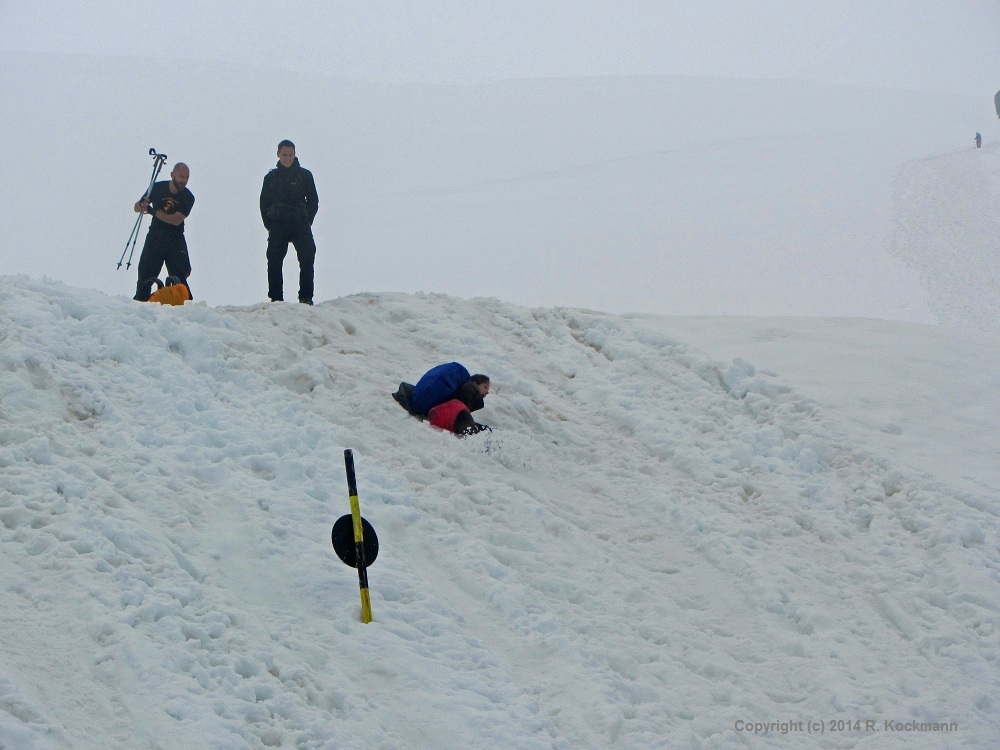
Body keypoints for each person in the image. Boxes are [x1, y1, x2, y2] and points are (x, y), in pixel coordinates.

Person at [260, 140, 319, 304]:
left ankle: (306, 297)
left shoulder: (305, 175)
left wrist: (308, 220)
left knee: (307, 257)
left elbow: (313, 200)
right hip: (278, 225)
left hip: (300, 224)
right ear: (278, 154)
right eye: (284, 154)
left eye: (290, 154)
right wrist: (269, 224)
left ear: (295, 154)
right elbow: (263, 203)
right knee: (274, 260)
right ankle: (276, 298)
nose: (287, 158)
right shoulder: (271, 177)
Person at [132, 162, 194, 301]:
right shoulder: (158, 187)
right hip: (155, 236)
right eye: (181, 176)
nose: (183, 180)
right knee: (145, 274)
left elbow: (176, 220)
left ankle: (185, 305)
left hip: (175, 239)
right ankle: (140, 303)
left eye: (186, 177)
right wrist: (142, 205)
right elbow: (137, 207)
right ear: (172, 175)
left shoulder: (188, 197)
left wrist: (153, 212)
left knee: (180, 275)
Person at [393, 365, 491, 434]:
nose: (487, 392)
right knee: (466, 419)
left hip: (423, 404)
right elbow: (460, 412)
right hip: (442, 413)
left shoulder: (458, 388)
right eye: (485, 387)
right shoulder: (469, 388)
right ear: (474, 383)